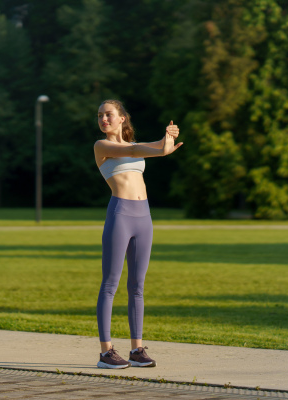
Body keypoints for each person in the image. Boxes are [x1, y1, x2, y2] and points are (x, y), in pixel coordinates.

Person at [94, 99, 182, 369]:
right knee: (110, 283)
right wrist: (162, 147)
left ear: (122, 118)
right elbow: (140, 149)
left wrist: (166, 140)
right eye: (100, 116)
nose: (103, 119)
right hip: (120, 214)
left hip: (144, 217)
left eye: (108, 114)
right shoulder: (102, 146)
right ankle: (106, 352)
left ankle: (136, 350)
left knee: (137, 286)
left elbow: (145, 148)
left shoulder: (133, 148)